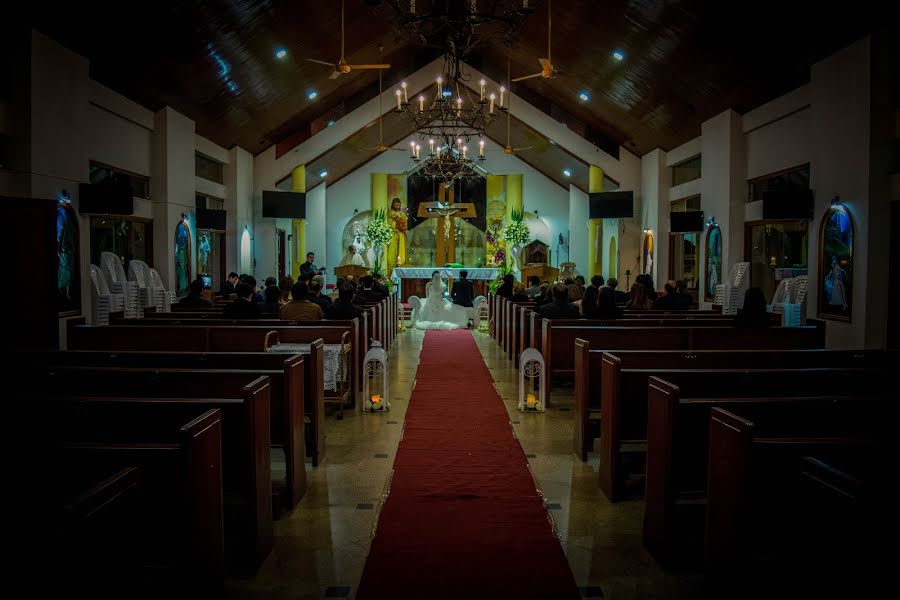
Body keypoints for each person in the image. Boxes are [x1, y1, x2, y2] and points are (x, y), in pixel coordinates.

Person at [386, 198, 408, 275]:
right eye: (396, 205)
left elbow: (405, 223)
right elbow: (388, 223)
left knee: (400, 251)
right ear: (393, 205)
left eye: (399, 205)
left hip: (401, 234)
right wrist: (394, 226)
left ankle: (400, 265)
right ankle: (390, 269)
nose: (398, 206)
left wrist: (402, 227)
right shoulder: (390, 213)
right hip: (393, 233)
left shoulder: (402, 214)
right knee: (391, 253)